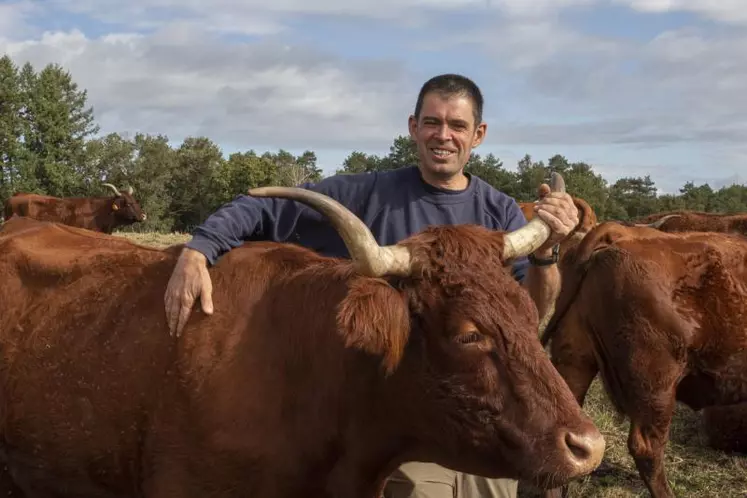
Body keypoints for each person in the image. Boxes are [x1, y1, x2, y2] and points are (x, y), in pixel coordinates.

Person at [164, 73, 578, 498]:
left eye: (457, 126)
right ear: (413, 127)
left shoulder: (500, 211)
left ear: (478, 135)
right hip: (402, 432)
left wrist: (546, 252)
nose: (443, 136)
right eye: (432, 122)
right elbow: (263, 205)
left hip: (483, 418)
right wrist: (201, 248)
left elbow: (530, 312)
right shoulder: (368, 194)